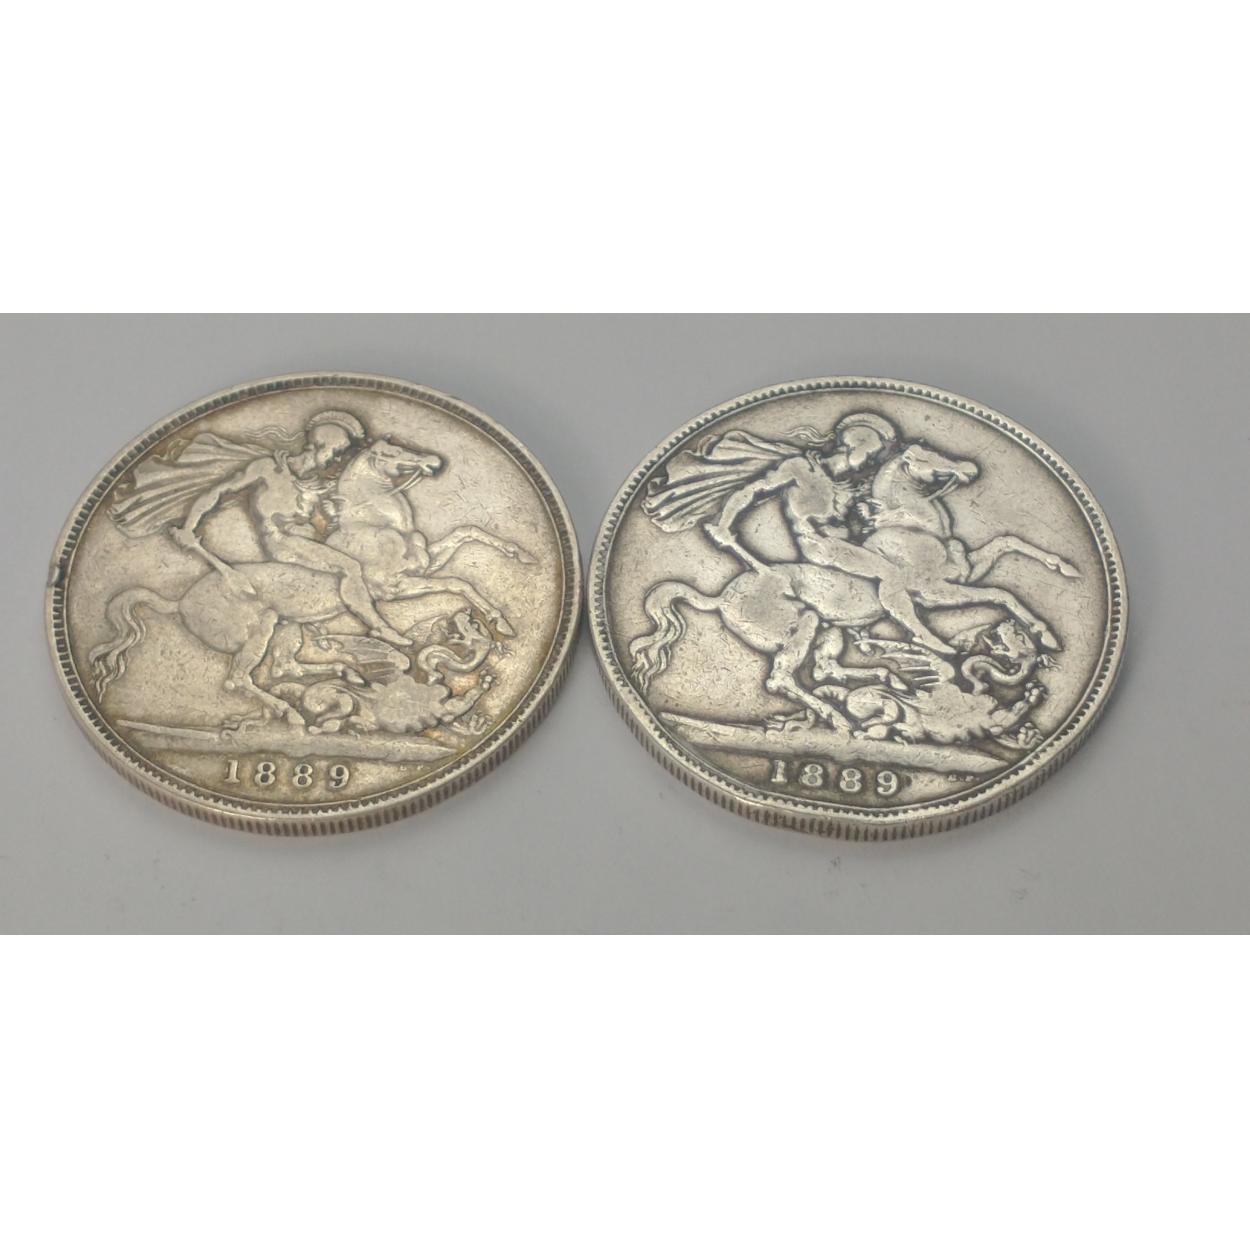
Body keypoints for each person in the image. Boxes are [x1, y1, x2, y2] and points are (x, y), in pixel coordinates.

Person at [643, 411, 953, 655]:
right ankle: (919, 633)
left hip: (846, 545)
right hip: (821, 546)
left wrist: (871, 516)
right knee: (891, 574)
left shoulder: (850, 484)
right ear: (854, 443)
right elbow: (752, 491)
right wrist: (725, 523)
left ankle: (865, 625)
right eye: (871, 454)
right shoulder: (800, 469)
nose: (872, 462)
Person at [111, 409, 412, 649]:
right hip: (283, 542)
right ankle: (378, 627)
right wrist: (189, 526)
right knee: (350, 567)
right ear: (321, 445)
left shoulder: (316, 483)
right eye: (337, 451)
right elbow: (218, 492)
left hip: (309, 544)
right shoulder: (267, 469)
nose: (338, 459)